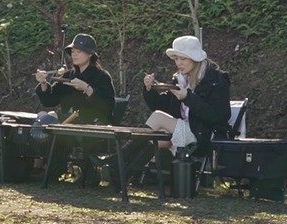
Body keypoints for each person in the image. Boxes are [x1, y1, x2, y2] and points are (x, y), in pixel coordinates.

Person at [94, 35, 231, 189]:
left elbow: (220, 115)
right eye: (176, 59)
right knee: (154, 138)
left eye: (183, 59)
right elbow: (161, 106)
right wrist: (150, 89)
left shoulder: (217, 80)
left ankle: (116, 161)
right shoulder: (179, 80)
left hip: (204, 135)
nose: (178, 63)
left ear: (194, 58)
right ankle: (123, 174)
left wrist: (188, 98)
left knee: (158, 120)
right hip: (184, 131)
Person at [32, 33, 116, 181]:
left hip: (91, 123)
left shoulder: (101, 76)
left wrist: (88, 89)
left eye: (79, 51)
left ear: (90, 54)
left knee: (52, 119)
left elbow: (107, 107)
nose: (74, 55)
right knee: (44, 117)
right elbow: (51, 100)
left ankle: (53, 170)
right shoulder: (69, 75)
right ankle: (42, 167)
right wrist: (44, 84)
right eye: (73, 51)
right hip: (68, 121)